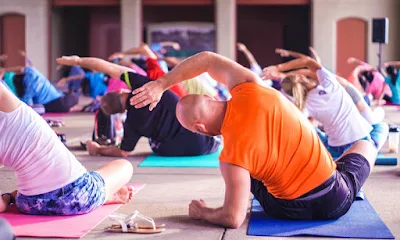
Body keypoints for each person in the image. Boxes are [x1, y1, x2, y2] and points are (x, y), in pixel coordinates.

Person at [127, 51, 377, 228]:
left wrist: (202, 213)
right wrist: (160, 84)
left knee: (248, 171)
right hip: (335, 198)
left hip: (285, 210)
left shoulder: (231, 158)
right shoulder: (250, 86)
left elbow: (233, 218)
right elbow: (208, 59)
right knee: (365, 144)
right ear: (213, 99)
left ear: (199, 127)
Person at [0, 80, 134, 216]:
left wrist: (6, 199)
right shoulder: (14, 111)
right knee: (124, 166)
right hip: (75, 197)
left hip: (29, 204)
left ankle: (102, 194)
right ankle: (104, 196)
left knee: (39, 182)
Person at [56, 55, 221, 157]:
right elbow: (110, 67)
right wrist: (78, 61)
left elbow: (123, 152)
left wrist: (98, 149)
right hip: (208, 140)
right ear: (121, 91)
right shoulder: (141, 85)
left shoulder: (131, 124)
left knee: (154, 143)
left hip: (183, 149)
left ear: (119, 113)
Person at [109, 44, 187, 97]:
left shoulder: (156, 77)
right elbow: (144, 49)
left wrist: (122, 54)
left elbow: (144, 49)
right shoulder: (156, 75)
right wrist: (122, 54)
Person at [5, 66, 79, 113]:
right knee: (75, 97)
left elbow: (29, 107)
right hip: (59, 97)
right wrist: (6, 69)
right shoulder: (32, 72)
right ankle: (71, 107)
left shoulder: (28, 93)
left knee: (40, 109)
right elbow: (21, 68)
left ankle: (69, 108)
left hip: (52, 103)